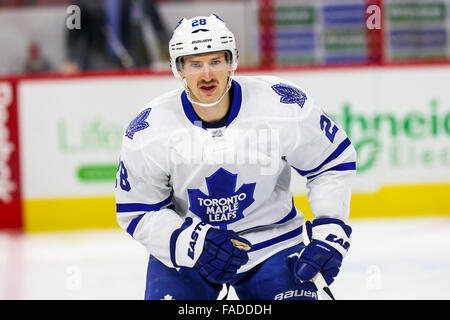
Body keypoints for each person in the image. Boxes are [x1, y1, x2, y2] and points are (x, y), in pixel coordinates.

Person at [115, 14, 356, 300]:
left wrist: (330, 227)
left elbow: (331, 162)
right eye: (195, 64)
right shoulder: (149, 131)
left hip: (273, 243)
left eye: (216, 61)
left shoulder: (281, 104)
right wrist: (190, 243)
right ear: (177, 68)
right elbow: (138, 209)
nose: (207, 75)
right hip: (191, 251)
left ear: (232, 62)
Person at [62, 0, 170, 74]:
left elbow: (159, 28)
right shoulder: (80, 3)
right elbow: (72, 31)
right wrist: (72, 59)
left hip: (135, 59)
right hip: (96, 60)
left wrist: (175, 53)